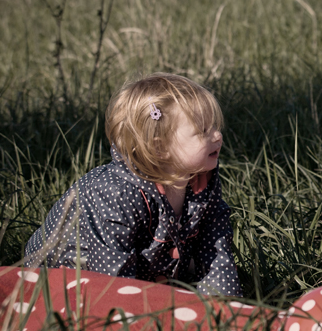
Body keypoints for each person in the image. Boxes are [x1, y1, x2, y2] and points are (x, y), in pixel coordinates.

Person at [25, 71, 239, 293]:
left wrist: (224, 310)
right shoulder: (115, 193)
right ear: (160, 148)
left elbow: (216, 249)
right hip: (65, 276)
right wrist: (129, 315)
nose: (217, 136)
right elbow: (111, 279)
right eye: (203, 131)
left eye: (215, 127)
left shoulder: (203, 180)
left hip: (149, 271)